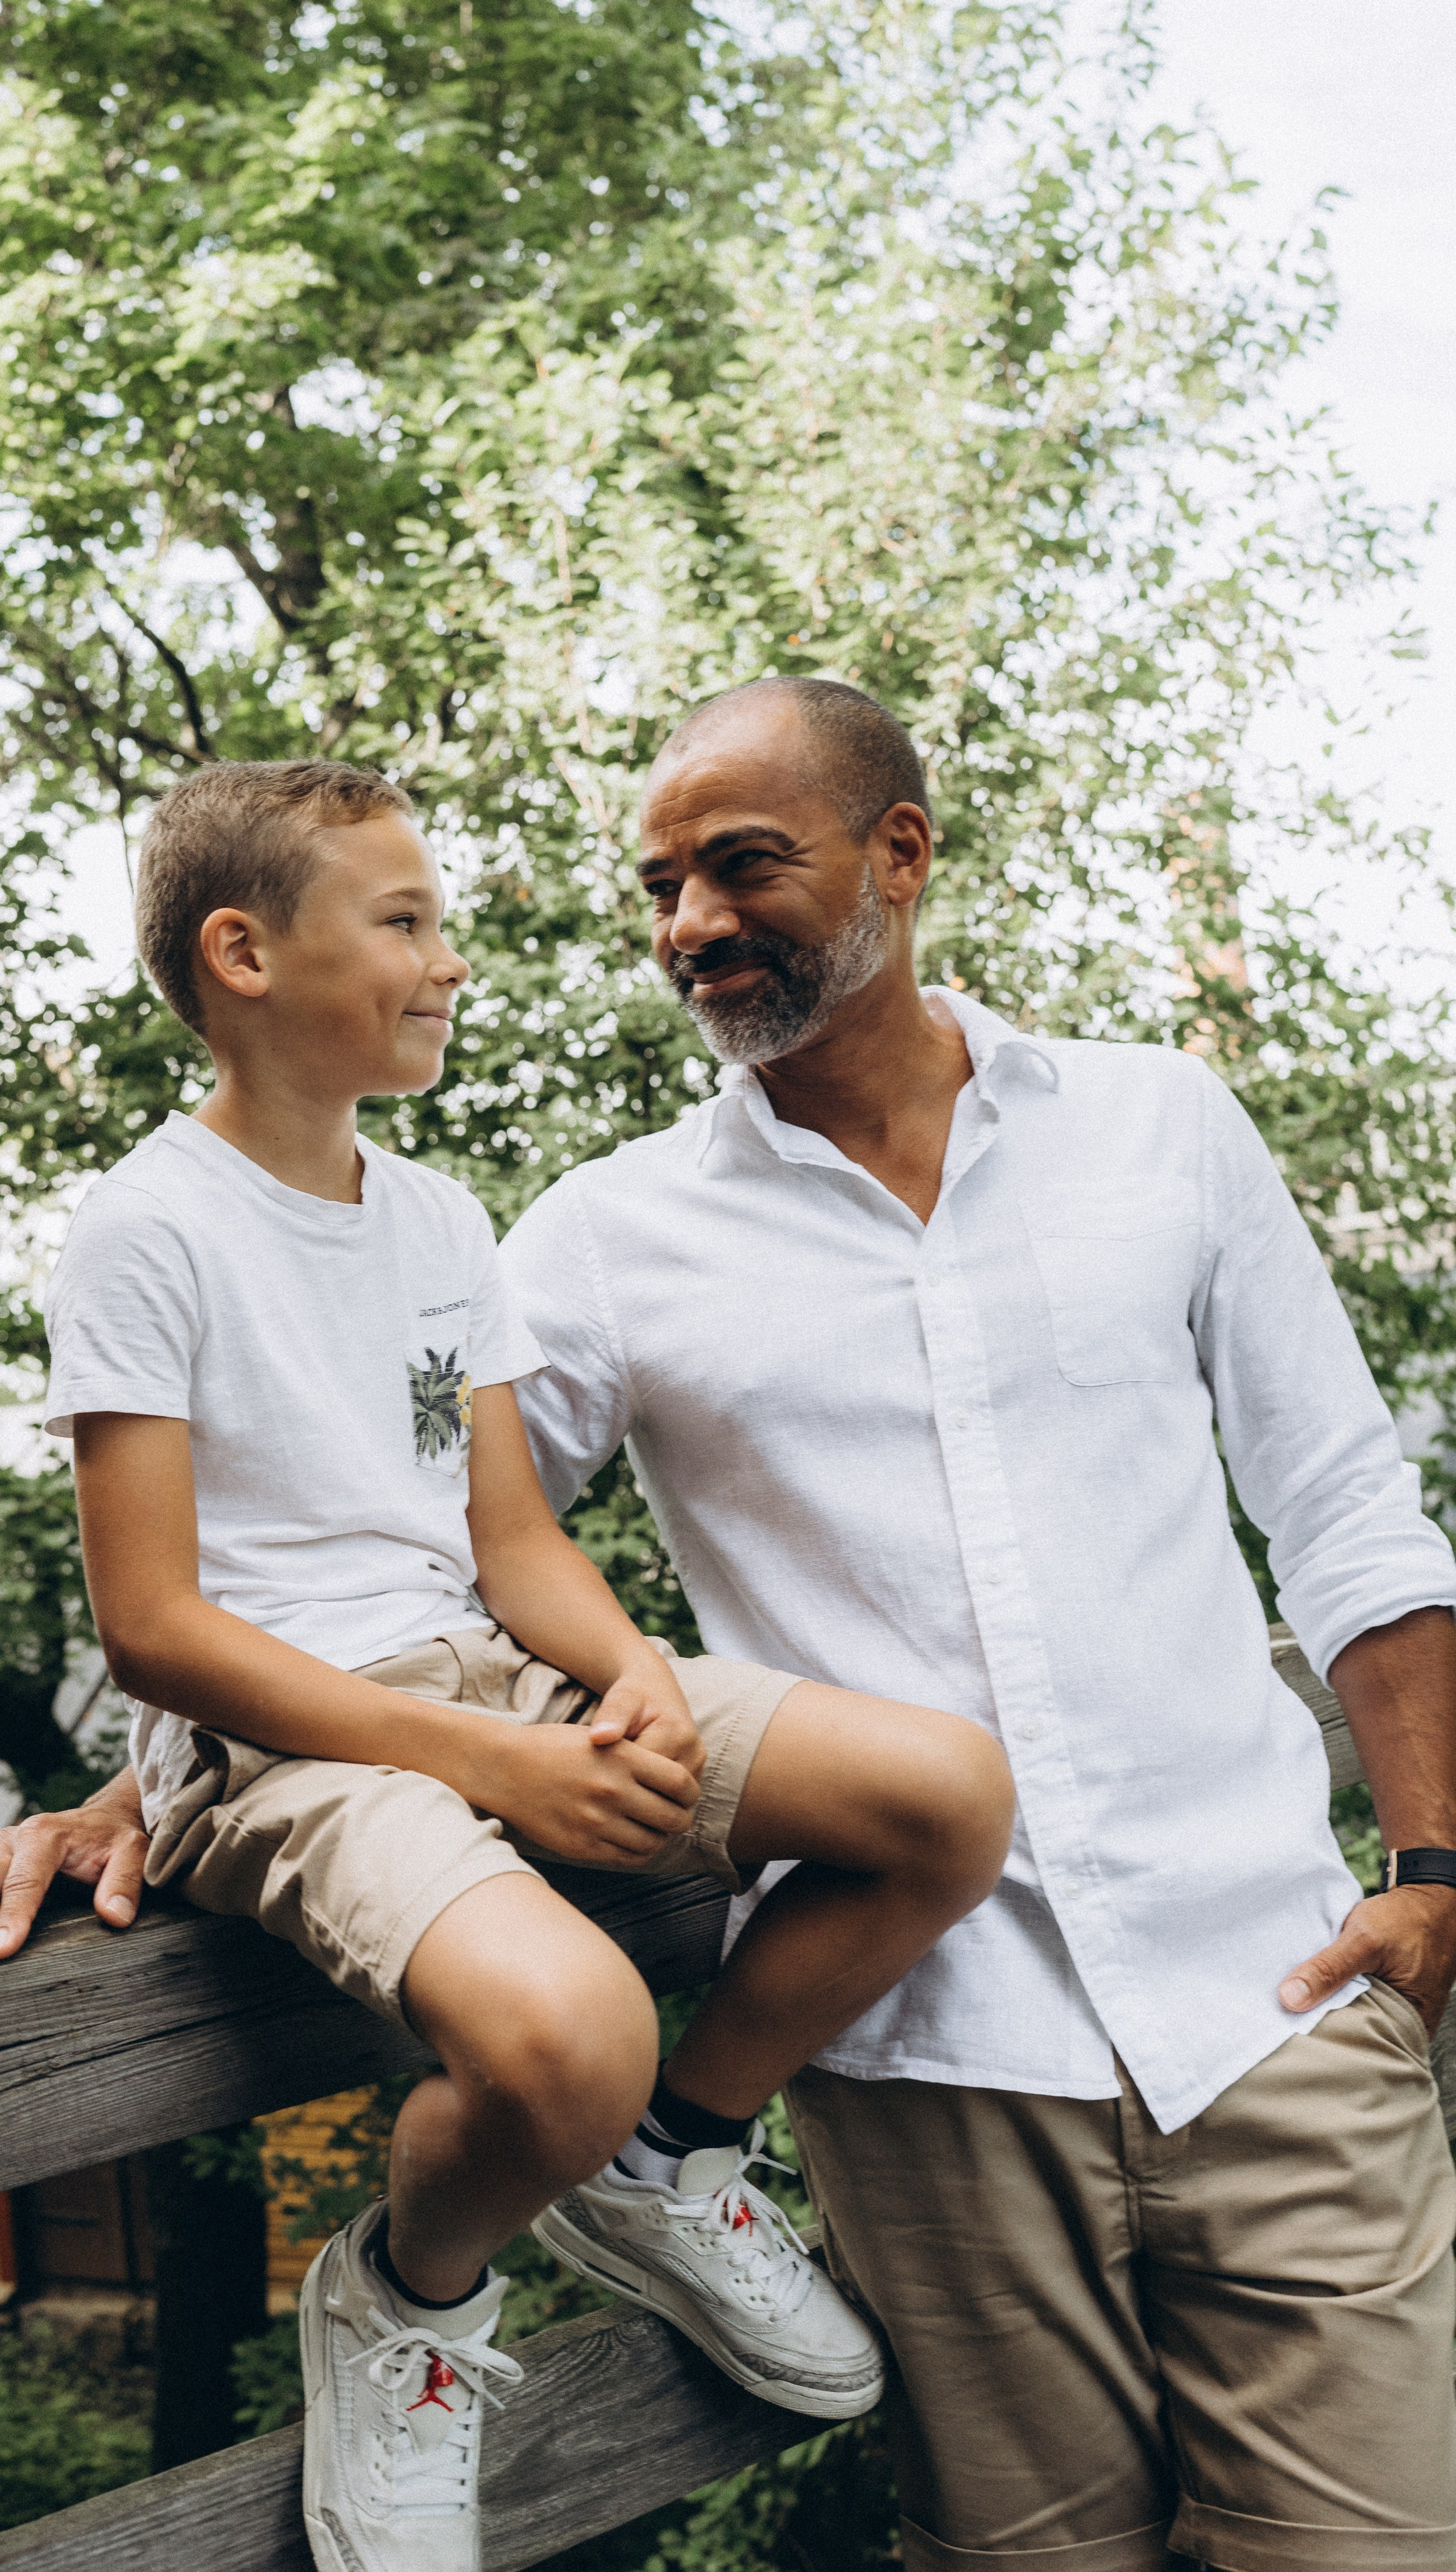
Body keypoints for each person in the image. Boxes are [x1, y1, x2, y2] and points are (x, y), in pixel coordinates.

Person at [0, 758, 1015, 2572]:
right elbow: (156, 1631)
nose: (450, 963)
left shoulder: (433, 1223)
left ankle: (669, 2159)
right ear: (244, 953)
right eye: (403, 924)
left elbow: (512, 1546)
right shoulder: (146, 1229)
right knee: (568, 2034)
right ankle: (411, 2300)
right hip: (283, 1752)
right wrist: (489, 1767)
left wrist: (630, 1676)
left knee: (945, 1799)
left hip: (487, 1676)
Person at [493, 676, 1456, 2572]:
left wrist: (1432, 1859)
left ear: (900, 856)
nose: (690, 922)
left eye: (741, 864)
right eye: (661, 884)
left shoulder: (1160, 1127)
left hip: (1273, 2010)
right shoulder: (606, 1242)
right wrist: (170, 1777)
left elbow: (1345, 1504)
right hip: (929, 2080)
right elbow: (387, 1543)